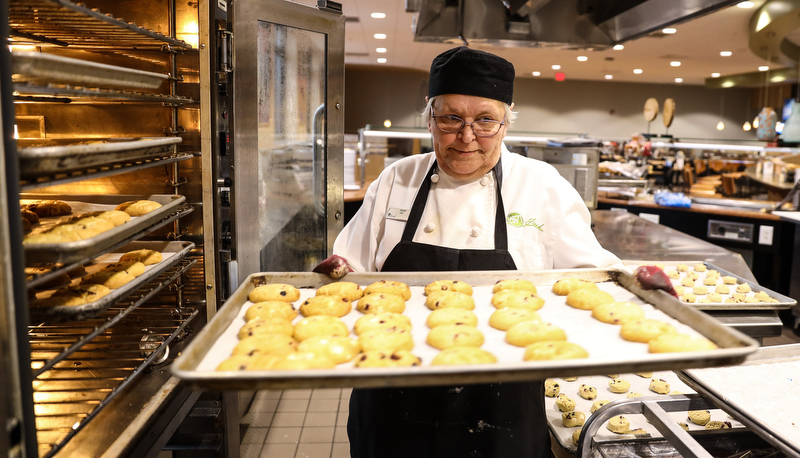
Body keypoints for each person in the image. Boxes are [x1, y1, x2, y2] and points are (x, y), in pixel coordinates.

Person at [331, 46, 621, 458]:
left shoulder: (542, 186)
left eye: (485, 120)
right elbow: (351, 266)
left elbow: (592, 277)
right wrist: (335, 270)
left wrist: (633, 285)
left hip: (504, 400)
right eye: (451, 119)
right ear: (430, 119)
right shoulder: (398, 178)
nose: (467, 137)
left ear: (506, 124)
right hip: (393, 383)